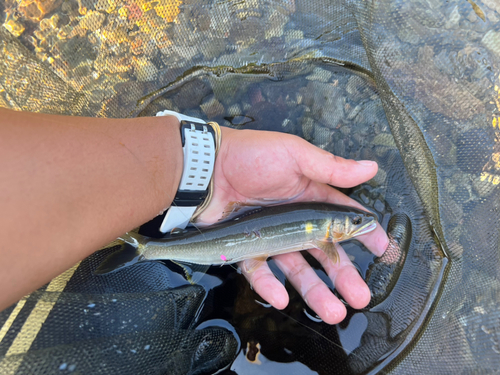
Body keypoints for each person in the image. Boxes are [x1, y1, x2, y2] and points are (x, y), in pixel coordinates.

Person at [0, 107, 388, 324]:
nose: (358, 223)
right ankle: (145, 247)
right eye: (353, 222)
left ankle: (145, 246)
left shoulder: (324, 228)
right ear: (332, 229)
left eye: (353, 223)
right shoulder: (328, 237)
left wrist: (201, 165)